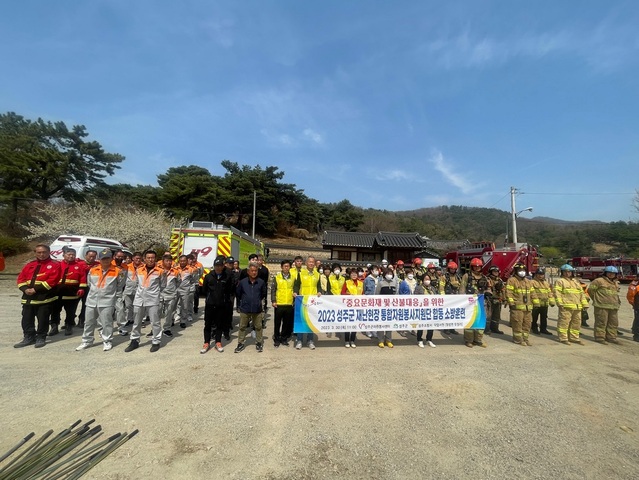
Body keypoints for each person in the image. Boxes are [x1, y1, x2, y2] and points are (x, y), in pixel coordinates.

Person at [75, 249, 125, 351]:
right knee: (88, 322)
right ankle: (87, 341)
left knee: (106, 322)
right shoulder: (93, 270)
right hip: (92, 300)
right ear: (99, 259)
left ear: (112, 259)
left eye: (108, 258)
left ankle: (107, 340)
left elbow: (120, 286)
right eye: (103, 258)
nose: (105, 260)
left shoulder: (118, 271)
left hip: (107, 301)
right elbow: (90, 284)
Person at [14, 244, 61, 348]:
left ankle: (41, 337)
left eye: (44, 252)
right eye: (39, 252)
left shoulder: (55, 265)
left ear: (49, 252)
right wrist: (25, 289)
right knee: (26, 319)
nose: (41, 254)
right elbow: (21, 279)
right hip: (28, 298)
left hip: (44, 298)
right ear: (35, 253)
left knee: (43, 319)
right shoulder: (30, 265)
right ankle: (29, 337)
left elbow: (52, 280)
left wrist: (35, 289)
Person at [125, 250, 165, 353]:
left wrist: (155, 293)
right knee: (137, 322)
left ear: (155, 259)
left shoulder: (160, 271)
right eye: (148, 258)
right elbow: (137, 283)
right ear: (144, 259)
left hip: (153, 299)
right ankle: (134, 341)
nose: (150, 260)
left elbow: (163, 285)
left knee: (155, 322)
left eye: (152, 258)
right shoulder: (139, 270)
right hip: (139, 299)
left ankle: (156, 341)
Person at [201, 255, 235, 354]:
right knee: (207, 324)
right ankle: (206, 342)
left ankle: (218, 342)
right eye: (216, 265)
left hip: (221, 305)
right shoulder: (208, 277)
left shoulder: (226, 277)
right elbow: (204, 290)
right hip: (210, 305)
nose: (218, 267)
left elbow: (229, 290)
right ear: (214, 266)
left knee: (219, 324)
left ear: (223, 266)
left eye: (220, 265)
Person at [49, 247, 87, 336]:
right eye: (69, 254)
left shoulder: (79, 266)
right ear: (63, 255)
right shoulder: (57, 265)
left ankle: (69, 326)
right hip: (57, 294)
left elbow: (83, 278)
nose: (71, 256)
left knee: (70, 312)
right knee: (55, 311)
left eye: (73, 255)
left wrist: (81, 289)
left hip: (72, 294)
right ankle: (54, 327)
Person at [234, 264, 267, 353]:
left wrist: (256, 301)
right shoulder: (242, 282)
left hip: (257, 309)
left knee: (258, 327)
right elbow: (238, 294)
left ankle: (259, 343)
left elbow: (263, 294)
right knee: (242, 327)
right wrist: (244, 301)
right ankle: (240, 343)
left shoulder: (261, 282)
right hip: (245, 308)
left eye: (255, 271)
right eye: (252, 271)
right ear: (248, 272)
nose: (254, 272)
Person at [554, 264, 588, 346]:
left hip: (577, 306)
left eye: (569, 272)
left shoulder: (575, 282)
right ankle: (563, 338)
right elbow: (557, 293)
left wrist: (585, 304)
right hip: (566, 306)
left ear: (572, 272)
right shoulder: (560, 281)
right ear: (562, 272)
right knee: (564, 323)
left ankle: (574, 338)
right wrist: (560, 303)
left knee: (576, 323)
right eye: (565, 272)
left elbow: (581, 294)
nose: (567, 273)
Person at [588, 266, 622, 345]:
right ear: (605, 273)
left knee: (613, 323)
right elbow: (590, 291)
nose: (611, 275)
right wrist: (597, 299)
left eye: (613, 273)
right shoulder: (598, 281)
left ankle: (611, 337)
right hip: (601, 306)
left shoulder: (615, 282)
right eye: (609, 273)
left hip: (613, 306)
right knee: (601, 322)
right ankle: (600, 337)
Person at [460, 258, 490, 348]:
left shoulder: (484, 277)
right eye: (475, 267)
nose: (477, 268)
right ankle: (469, 340)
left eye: (479, 267)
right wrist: (462, 299)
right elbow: (462, 287)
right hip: (470, 302)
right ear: (472, 267)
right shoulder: (466, 276)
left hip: (481, 302)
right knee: (470, 321)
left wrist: (489, 293)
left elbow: (488, 288)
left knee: (480, 321)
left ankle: (478, 340)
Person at [293, 256, 321, 350]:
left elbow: (319, 286)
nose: (311, 263)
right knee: (301, 320)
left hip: (312, 301)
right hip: (302, 300)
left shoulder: (317, 274)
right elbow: (296, 285)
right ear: (306, 263)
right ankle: (299, 340)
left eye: (313, 262)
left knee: (311, 321)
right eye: (309, 262)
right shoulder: (300, 273)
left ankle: (310, 341)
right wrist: (295, 292)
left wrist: (319, 291)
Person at [506, 263, 536, 346]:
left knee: (527, 324)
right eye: (520, 270)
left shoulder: (528, 281)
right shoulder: (512, 280)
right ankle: (518, 339)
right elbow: (509, 293)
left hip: (527, 308)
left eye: (523, 270)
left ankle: (525, 338)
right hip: (517, 308)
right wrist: (511, 303)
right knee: (517, 323)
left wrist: (536, 302)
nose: (522, 272)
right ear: (516, 271)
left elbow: (533, 293)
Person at [271, 260, 295, 347]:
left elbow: (294, 290)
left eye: (288, 266)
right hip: (279, 304)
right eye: (285, 266)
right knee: (277, 323)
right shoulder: (277, 277)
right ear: (281, 267)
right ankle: (276, 339)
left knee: (286, 323)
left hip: (289, 304)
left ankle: (284, 338)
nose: (286, 268)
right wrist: (273, 300)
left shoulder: (292, 278)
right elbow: (273, 289)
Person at [118, 251, 142, 336]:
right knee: (128, 306)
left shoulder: (143, 267)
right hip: (128, 289)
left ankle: (137, 320)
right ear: (133, 259)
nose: (138, 260)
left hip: (138, 290)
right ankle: (129, 319)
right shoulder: (127, 267)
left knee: (137, 306)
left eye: (139, 258)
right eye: (136, 258)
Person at [375, 267, 398, 348]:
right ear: (384, 275)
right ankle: (380, 340)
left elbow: (396, 294)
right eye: (388, 274)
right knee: (381, 323)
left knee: (389, 324)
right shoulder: (381, 283)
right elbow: (377, 294)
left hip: (391, 307)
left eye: (391, 274)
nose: (389, 275)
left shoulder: (394, 283)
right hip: (381, 306)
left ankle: (388, 340)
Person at [159, 253, 180, 338]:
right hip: (160, 294)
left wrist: (173, 290)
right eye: (167, 261)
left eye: (170, 261)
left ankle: (167, 329)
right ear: (163, 261)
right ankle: (155, 329)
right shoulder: (158, 270)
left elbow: (179, 282)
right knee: (157, 312)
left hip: (171, 295)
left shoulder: (175, 272)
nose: (169, 262)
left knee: (169, 313)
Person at [341, 268, 363, 348]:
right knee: (348, 323)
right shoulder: (347, 282)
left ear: (357, 275)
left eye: (355, 274)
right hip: (348, 306)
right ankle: (347, 340)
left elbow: (363, 293)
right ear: (350, 275)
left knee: (355, 324)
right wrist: (349, 296)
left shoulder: (361, 283)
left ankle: (352, 340)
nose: (354, 275)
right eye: (352, 274)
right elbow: (342, 293)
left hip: (358, 306)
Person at [530, 268, 555, 335]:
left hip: (544, 303)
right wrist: (535, 301)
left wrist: (551, 301)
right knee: (534, 317)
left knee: (544, 317)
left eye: (542, 274)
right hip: (535, 304)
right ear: (536, 274)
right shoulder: (532, 282)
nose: (540, 276)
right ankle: (534, 328)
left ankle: (543, 329)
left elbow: (549, 292)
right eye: (539, 274)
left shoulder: (546, 283)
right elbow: (532, 293)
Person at [414, 276, 437, 348]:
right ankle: (419, 340)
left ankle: (429, 340)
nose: (427, 281)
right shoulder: (419, 288)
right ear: (422, 280)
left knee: (430, 326)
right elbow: (415, 298)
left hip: (431, 309)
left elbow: (436, 297)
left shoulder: (432, 288)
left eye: (428, 279)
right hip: (422, 309)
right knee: (421, 325)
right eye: (426, 279)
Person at [439, 261, 461, 335]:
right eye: (451, 269)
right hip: (447, 298)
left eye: (454, 269)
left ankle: (452, 328)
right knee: (447, 313)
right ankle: (446, 328)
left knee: (453, 313)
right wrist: (443, 297)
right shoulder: (444, 277)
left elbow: (460, 286)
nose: (453, 270)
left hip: (455, 297)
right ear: (448, 269)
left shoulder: (457, 277)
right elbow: (441, 287)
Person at [77, 249, 97, 328]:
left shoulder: (97, 265)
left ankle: (81, 320)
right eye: (90, 256)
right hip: (78, 288)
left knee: (85, 305)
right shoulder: (79, 264)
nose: (92, 258)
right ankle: (69, 322)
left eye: (94, 257)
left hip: (89, 288)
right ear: (86, 256)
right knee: (73, 306)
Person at [175, 255, 196, 329]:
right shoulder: (175, 269)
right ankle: (171, 320)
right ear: (179, 261)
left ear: (186, 261)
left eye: (184, 261)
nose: (182, 262)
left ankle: (183, 321)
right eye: (181, 261)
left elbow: (193, 280)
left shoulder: (191, 269)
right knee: (173, 306)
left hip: (185, 290)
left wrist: (189, 288)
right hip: (176, 289)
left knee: (185, 306)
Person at [486, 266, 505, 334]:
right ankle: (486, 329)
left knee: (496, 316)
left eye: (497, 272)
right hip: (489, 300)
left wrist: (504, 299)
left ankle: (495, 328)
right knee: (488, 315)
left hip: (498, 300)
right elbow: (486, 289)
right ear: (491, 272)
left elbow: (503, 290)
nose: (496, 273)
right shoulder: (487, 279)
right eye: (494, 271)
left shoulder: (500, 280)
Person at [626, 277, 639, 342]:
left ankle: (634, 330)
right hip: (638, 306)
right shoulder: (635, 285)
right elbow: (630, 296)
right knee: (638, 320)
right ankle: (636, 336)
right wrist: (634, 304)